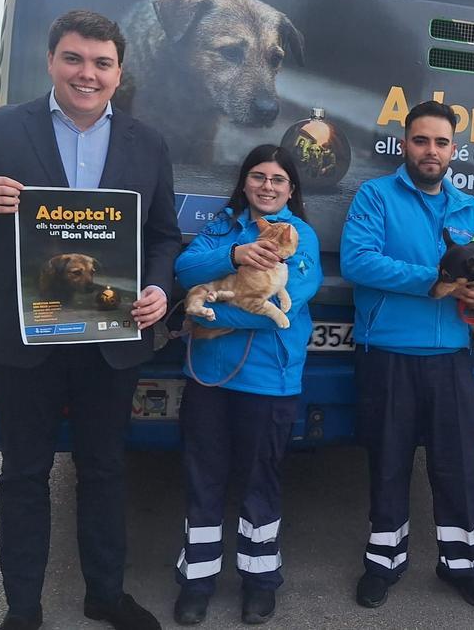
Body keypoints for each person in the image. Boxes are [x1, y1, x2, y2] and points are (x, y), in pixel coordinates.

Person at [0, 10, 181, 630]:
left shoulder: (147, 144)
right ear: (51, 61)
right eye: (74, 58)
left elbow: (164, 236)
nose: (87, 74)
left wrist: (157, 287)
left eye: (101, 63)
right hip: (22, 337)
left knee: (104, 470)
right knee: (23, 474)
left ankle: (105, 594)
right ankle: (22, 608)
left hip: (109, 338)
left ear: (119, 72)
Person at [340, 100, 474, 612]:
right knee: (389, 465)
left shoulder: (469, 208)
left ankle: (465, 566)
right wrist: (437, 282)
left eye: (440, 142)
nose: (430, 151)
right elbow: (358, 262)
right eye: (421, 140)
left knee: (459, 467)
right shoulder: (375, 196)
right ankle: (382, 564)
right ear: (404, 144)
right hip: (388, 354)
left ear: (453, 150)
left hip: (450, 357)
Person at [170, 144, 322, 625]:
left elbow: (289, 303)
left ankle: (260, 580)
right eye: (258, 176)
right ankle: (197, 580)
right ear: (244, 182)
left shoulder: (301, 236)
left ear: (291, 190)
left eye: (278, 179)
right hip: (210, 377)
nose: (267, 186)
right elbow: (184, 271)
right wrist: (232, 255)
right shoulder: (222, 228)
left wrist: (209, 317)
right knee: (204, 476)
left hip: (269, 379)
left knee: (261, 480)